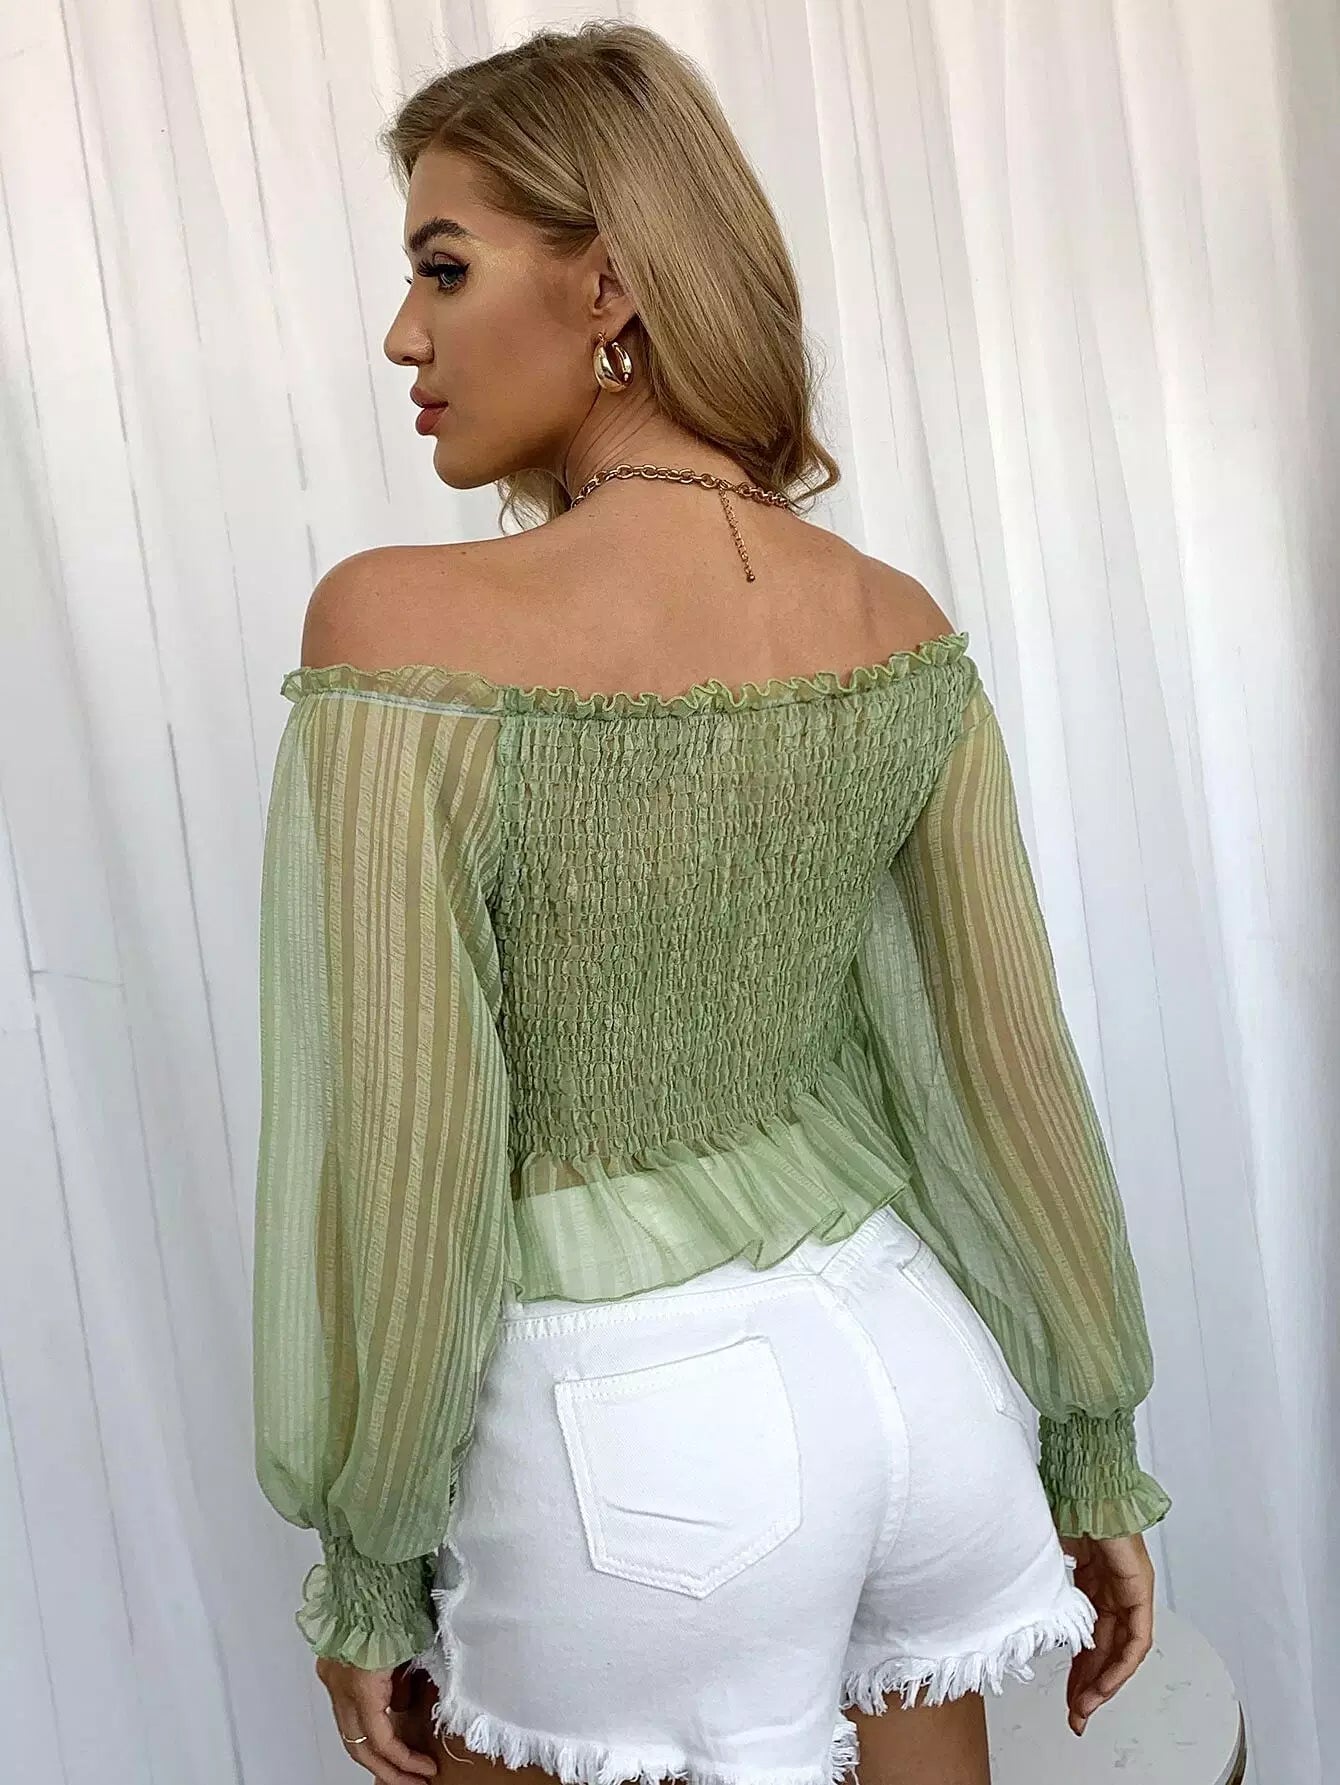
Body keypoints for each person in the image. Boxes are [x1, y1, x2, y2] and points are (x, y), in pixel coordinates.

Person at [251, 22, 1171, 1785]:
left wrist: (369, 1558)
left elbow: (409, 1141)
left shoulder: (398, 630)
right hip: (914, 1369)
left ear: (606, 283)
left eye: (443, 267)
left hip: (636, 1435)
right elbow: (1005, 1072)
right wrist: (1088, 1441)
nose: (402, 337)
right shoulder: (894, 622)